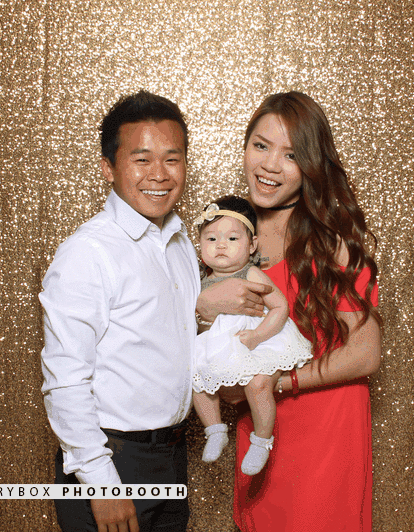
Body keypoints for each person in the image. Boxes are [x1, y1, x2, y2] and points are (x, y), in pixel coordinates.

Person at [195, 92, 383, 531]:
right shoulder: (226, 238)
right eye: (261, 146)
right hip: (261, 430)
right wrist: (201, 307)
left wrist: (277, 382)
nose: (270, 165)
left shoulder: (330, 242)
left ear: (311, 166)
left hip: (326, 432)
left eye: (291, 155)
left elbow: (366, 354)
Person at [40, 91, 200, 532]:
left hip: (172, 455)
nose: (159, 175)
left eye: (172, 159)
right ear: (109, 168)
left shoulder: (180, 242)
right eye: (141, 160)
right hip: (112, 461)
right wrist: (101, 483)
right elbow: (65, 379)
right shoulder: (87, 253)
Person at [190, 196, 312, 476]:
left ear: (252, 245)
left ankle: (261, 440)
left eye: (232, 238)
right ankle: (214, 430)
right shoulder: (199, 280)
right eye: (211, 239)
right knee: (196, 380)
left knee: (258, 385)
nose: (221, 245)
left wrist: (258, 335)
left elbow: (280, 307)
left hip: (260, 341)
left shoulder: (251, 273)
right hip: (221, 344)